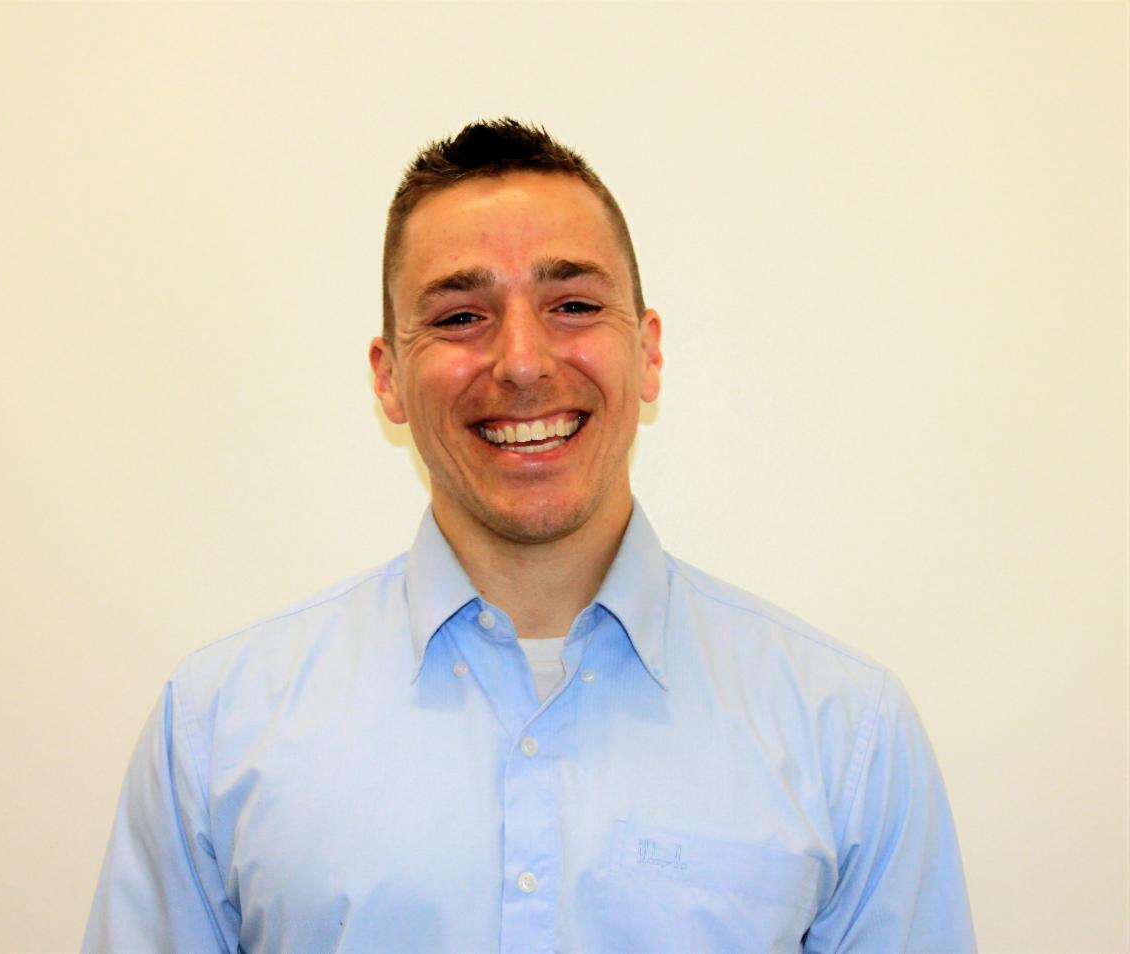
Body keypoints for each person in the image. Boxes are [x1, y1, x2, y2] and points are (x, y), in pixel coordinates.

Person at [83, 119, 975, 953]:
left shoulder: (844, 734)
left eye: (573, 305)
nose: (520, 362)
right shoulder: (218, 730)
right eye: (460, 316)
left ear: (648, 351)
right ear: (388, 378)